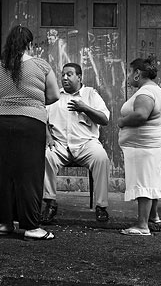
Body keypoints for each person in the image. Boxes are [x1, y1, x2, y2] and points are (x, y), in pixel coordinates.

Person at [0, 25, 60, 240]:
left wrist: (7, 97)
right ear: (29, 44)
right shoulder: (41, 66)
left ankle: (6, 223)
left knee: (5, 173)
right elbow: (53, 96)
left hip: (1, 121)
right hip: (30, 122)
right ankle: (32, 227)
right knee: (30, 174)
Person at [41, 63, 111, 224]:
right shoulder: (55, 96)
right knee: (46, 155)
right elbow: (41, 117)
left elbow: (104, 119)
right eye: (63, 74)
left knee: (101, 158)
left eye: (69, 74)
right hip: (60, 145)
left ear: (79, 77)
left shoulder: (90, 94)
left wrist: (85, 108)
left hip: (86, 144)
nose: (65, 78)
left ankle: (101, 206)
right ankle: (50, 203)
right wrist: (47, 137)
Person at [117, 57, 161, 236]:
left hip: (142, 146)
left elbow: (141, 115)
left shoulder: (145, 93)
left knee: (143, 183)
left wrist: (122, 121)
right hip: (148, 145)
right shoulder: (155, 90)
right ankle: (153, 216)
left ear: (137, 73)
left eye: (130, 72)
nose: (129, 77)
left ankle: (142, 225)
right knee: (151, 180)